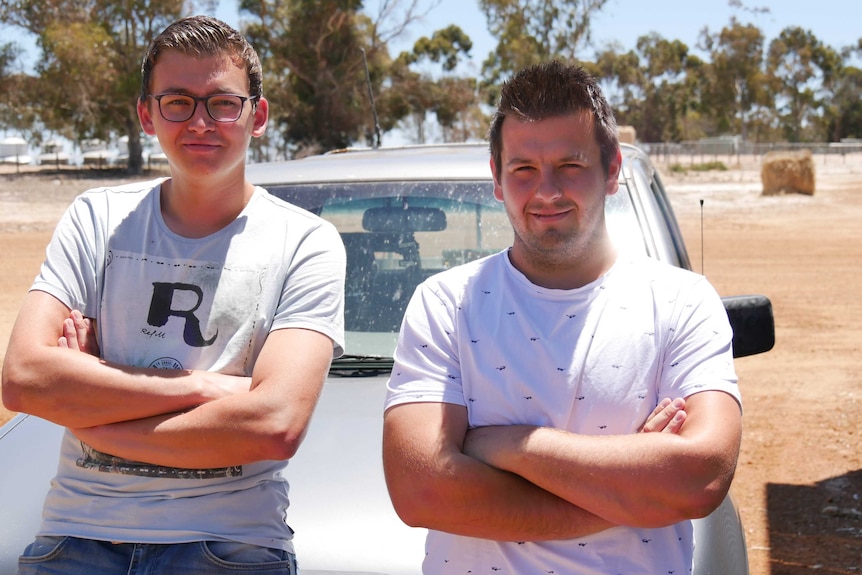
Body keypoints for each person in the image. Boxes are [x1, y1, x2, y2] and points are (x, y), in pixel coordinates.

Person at [2, 15, 345, 575]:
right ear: (147, 115)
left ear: (256, 115)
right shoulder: (98, 218)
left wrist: (91, 410)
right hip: (76, 537)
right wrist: (209, 386)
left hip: (230, 546)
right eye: (177, 102)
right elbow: (23, 380)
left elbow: (275, 424)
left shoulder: (306, 241)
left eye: (222, 103)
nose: (201, 122)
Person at [381, 60, 742, 574]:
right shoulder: (446, 304)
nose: (546, 191)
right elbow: (421, 492)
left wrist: (507, 446)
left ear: (611, 169)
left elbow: (700, 479)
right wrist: (630, 491)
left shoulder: (682, 301)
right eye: (523, 169)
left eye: (570, 166)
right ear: (497, 178)